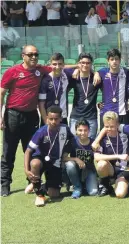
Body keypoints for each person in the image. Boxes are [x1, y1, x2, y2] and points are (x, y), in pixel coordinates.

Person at [0, 45, 52, 197]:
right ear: (23, 56)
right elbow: (1, 93)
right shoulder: (12, 72)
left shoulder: (40, 70)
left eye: (36, 54)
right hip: (13, 116)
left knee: (31, 151)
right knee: (8, 152)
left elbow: (58, 67)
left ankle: (32, 182)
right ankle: (5, 184)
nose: (34, 57)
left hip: (31, 116)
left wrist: (78, 67)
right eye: (30, 55)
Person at [24, 106, 73, 206]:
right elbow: (28, 151)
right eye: (51, 119)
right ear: (47, 118)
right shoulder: (41, 132)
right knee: (35, 163)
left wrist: (66, 152)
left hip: (55, 162)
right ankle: (39, 195)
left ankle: (37, 185)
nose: (53, 122)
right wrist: (26, 170)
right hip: (41, 159)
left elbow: (73, 141)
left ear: (60, 119)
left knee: (54, 194)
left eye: (56, 119)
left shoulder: (65, 129)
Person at [94, 111, 129, 197]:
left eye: (112, 126)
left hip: (122, 170)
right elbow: (96, 156)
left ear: (117, 125)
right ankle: (106, 185)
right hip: (110, 169)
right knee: (101, 164)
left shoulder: (124, 136)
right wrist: (117, 156)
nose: (109, 129)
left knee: (120, 194)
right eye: (106, 126)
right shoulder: (102, 138)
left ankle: (125, 183)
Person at [63, 119, 98, 198]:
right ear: (76, 131)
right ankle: (77, 188)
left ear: (89, 130)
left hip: (88, 171)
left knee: (93, 192)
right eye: (80, 130)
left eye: (85, 130)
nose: (83, 133)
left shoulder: (94, 143)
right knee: (69, 164)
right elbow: (64, 158)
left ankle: (84, 184)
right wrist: (76, 159)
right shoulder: (72, 142)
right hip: (76, 170)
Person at [68, 53, 100, 139]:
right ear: (79, 63)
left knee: (90, 145)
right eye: (82, 62)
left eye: (88, 63)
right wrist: (76, 68)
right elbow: (59, 67)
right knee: (74, 144)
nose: (85, 65)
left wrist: (96, 72)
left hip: (91, 118)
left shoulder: (96, 78)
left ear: (91, 64)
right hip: (76, 116)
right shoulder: (74, 77)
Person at [96, 49, 129, 126]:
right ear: (108, 61)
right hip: (106, 113)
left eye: (116, 59)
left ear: (120, 60)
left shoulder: (126, 72)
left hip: (121, 113)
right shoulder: (102, 72)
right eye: (112, 59)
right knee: (106, 137)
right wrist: (96, 73)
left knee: (122, 137)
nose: (114, 61)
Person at [38, 53, 71, 126]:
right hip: (49, 118)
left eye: (60, 64)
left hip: (62, 117)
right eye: (54, 64)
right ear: (50, 65)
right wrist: (45, 120)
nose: (57, 67)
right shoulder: (45, 79)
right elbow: (41, 103)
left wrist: (77, 69)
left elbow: (82, 67)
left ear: (63, 65)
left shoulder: (67, 75)